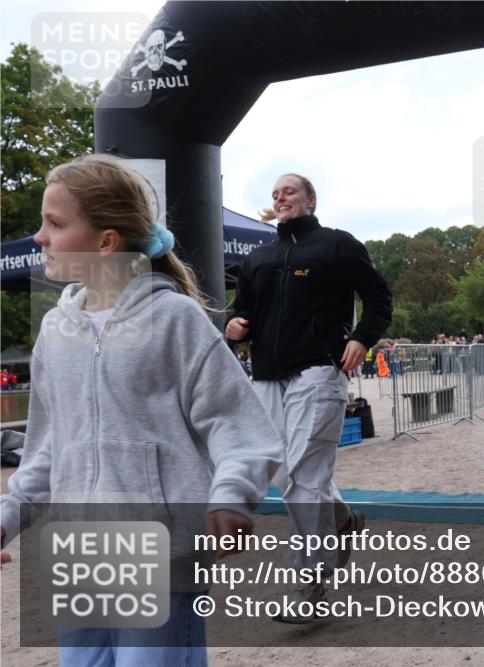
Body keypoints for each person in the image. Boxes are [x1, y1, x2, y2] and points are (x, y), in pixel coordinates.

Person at [0, 154, 282, 663]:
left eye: (55, 224)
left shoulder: (176, 319)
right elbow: (45, 449)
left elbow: (238, 425)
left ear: (106, 242)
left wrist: (231, 494)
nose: (40, 236)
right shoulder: (55, 331)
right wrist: (7, 517)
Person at [226, 173, 392, 621]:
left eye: (290, 191)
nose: (281, 198)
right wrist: (234, 325)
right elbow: (243, 311)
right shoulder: (258, 257)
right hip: (268, 375)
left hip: (319, 370)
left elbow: (379, 297)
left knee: (303, 474)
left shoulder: (337, 245)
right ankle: (341, 521)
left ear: (310, 199)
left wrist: (362, 338)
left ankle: (312, 585)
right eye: (275, 194)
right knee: (285, 472)